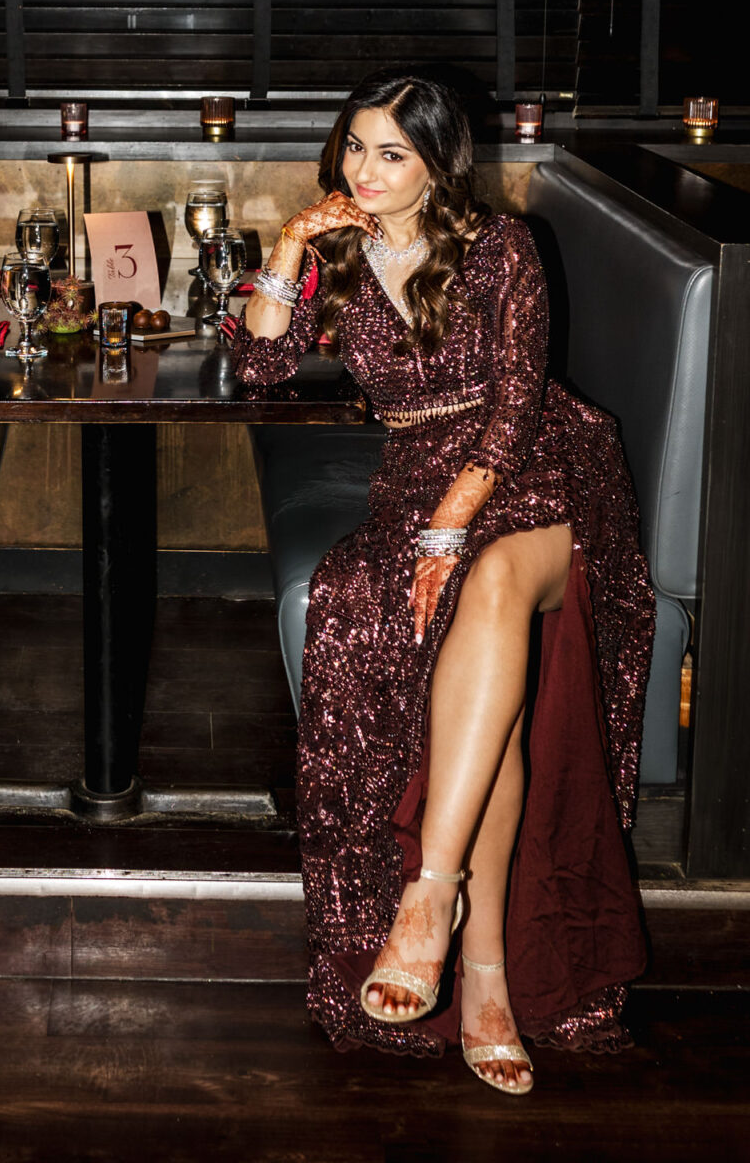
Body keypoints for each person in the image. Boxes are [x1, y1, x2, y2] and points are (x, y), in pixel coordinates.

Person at [232, 71, 654, 1094]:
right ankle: (484, 973)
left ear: (436, 165)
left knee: (488, 578)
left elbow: (514, 409)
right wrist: (287, 250)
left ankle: (430, 896)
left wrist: (443, 532)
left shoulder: (501, 246)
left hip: (541, 474)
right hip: (416, 477)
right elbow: (258, 372)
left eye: (392, 155)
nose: (365, 173)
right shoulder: (337, 252)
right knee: (482, 641)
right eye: (354, 149)